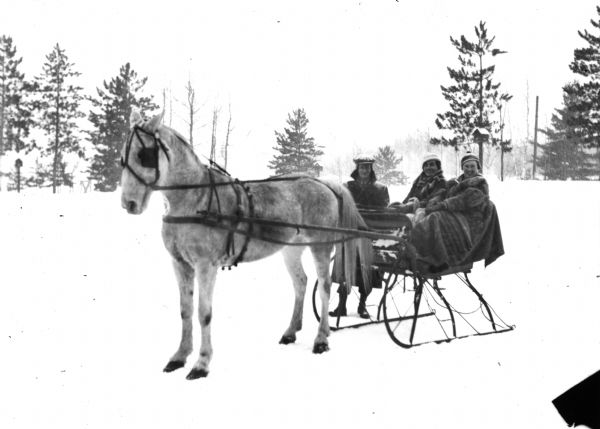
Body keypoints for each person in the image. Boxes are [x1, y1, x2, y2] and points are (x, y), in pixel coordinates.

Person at [411, 152, 504, 272]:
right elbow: (444, 194)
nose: (469, 169)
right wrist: (434, 201)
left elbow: (463, 201)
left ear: (478, 168)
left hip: (470, 221)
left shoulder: (480, 184)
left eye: (472, 166)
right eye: (466, 166)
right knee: (423, 214)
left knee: (435, 218)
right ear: (462, 167)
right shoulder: (455, 183)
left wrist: (442, 205)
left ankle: (440, 259)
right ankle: (420, 252)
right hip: (455, 215)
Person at [329, 155, 389, 319]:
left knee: (366, 270)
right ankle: (341, 306)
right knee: (344, 271)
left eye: (367, 167)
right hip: (347, 233)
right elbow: (338, 206)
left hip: (368, 235)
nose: (364, 170)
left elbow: (383, 212)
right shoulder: (346, 187)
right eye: (362, 167)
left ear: (371, 169)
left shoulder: (380, 189)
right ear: (357, 169)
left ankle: (362, 306)